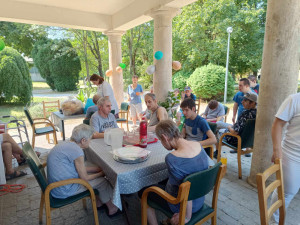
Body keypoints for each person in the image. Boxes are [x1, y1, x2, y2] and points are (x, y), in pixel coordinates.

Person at [141, 120, 209, 225]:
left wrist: (186, 216)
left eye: (160, 140)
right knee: (163, 180)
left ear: (165, 137)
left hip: (181, 205)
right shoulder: (197, 145)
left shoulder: (172, 158)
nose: (162, 143)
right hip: (200, 199)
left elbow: (187, 189)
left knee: (144, 192)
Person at [47, 124, 119, 216]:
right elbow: (85, 178)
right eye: (90, 139)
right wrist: (102, 173)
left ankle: (99, 203)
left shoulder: (67, 144)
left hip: (56, 186)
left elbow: (78, 168)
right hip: (64, 189)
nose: (90, 141)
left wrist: (96, 169)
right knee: (102, 181)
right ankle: (112, 208)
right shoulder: (77, 151)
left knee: (93, 172)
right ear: (83, 140)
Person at [270, 92, 300, 224]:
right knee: (287, 191)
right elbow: (277, 124)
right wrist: (277, 151)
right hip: (292, 154)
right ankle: (273, 221)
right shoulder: (294, 99)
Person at [214, 92, 257, 158]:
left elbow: (235, 132)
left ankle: (217, 152)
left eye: (245, 100)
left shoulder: (245, 114)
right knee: (218, 123)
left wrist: (229, 127)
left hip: (235, 139)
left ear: (253, 103)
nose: (242, 102)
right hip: (248, 140)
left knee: (217, 129)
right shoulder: (256, 113)